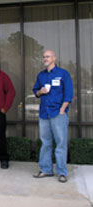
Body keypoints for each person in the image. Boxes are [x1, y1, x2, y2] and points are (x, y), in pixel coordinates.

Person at [32, 50, 73, 183]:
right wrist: (40, 91)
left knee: (60, 143)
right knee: (45, 143)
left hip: (58, 113)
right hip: (44, 113)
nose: (45, 58)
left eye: (48, 56)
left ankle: (62, 172)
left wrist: (62, 110)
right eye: (44, 57)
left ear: (54, 58)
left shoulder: (63, 74)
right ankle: (46, 170)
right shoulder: (41, 75)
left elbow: (68, 94)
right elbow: (35, 92)